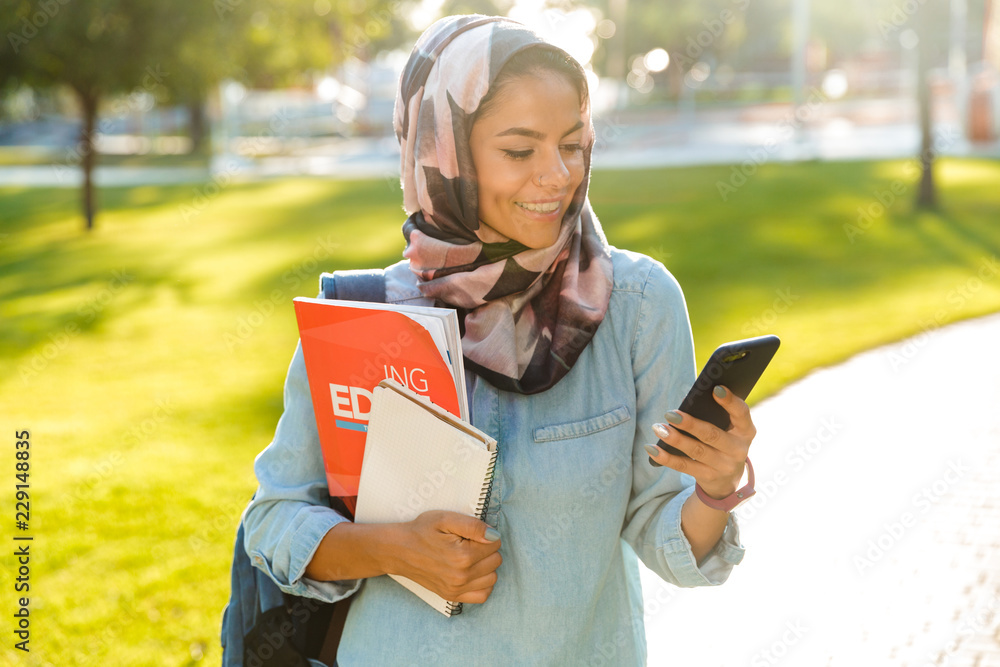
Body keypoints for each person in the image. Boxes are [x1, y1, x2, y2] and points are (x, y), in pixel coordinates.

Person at [243, 14, 756, 666]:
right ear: (444, 149)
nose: (558, 176)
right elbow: (274, 519)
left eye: (574, 144)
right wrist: (392, 548)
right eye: (520, 150)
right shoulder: (367, 314)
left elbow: (665, 530)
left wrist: (713, 488)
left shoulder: (638, 304)